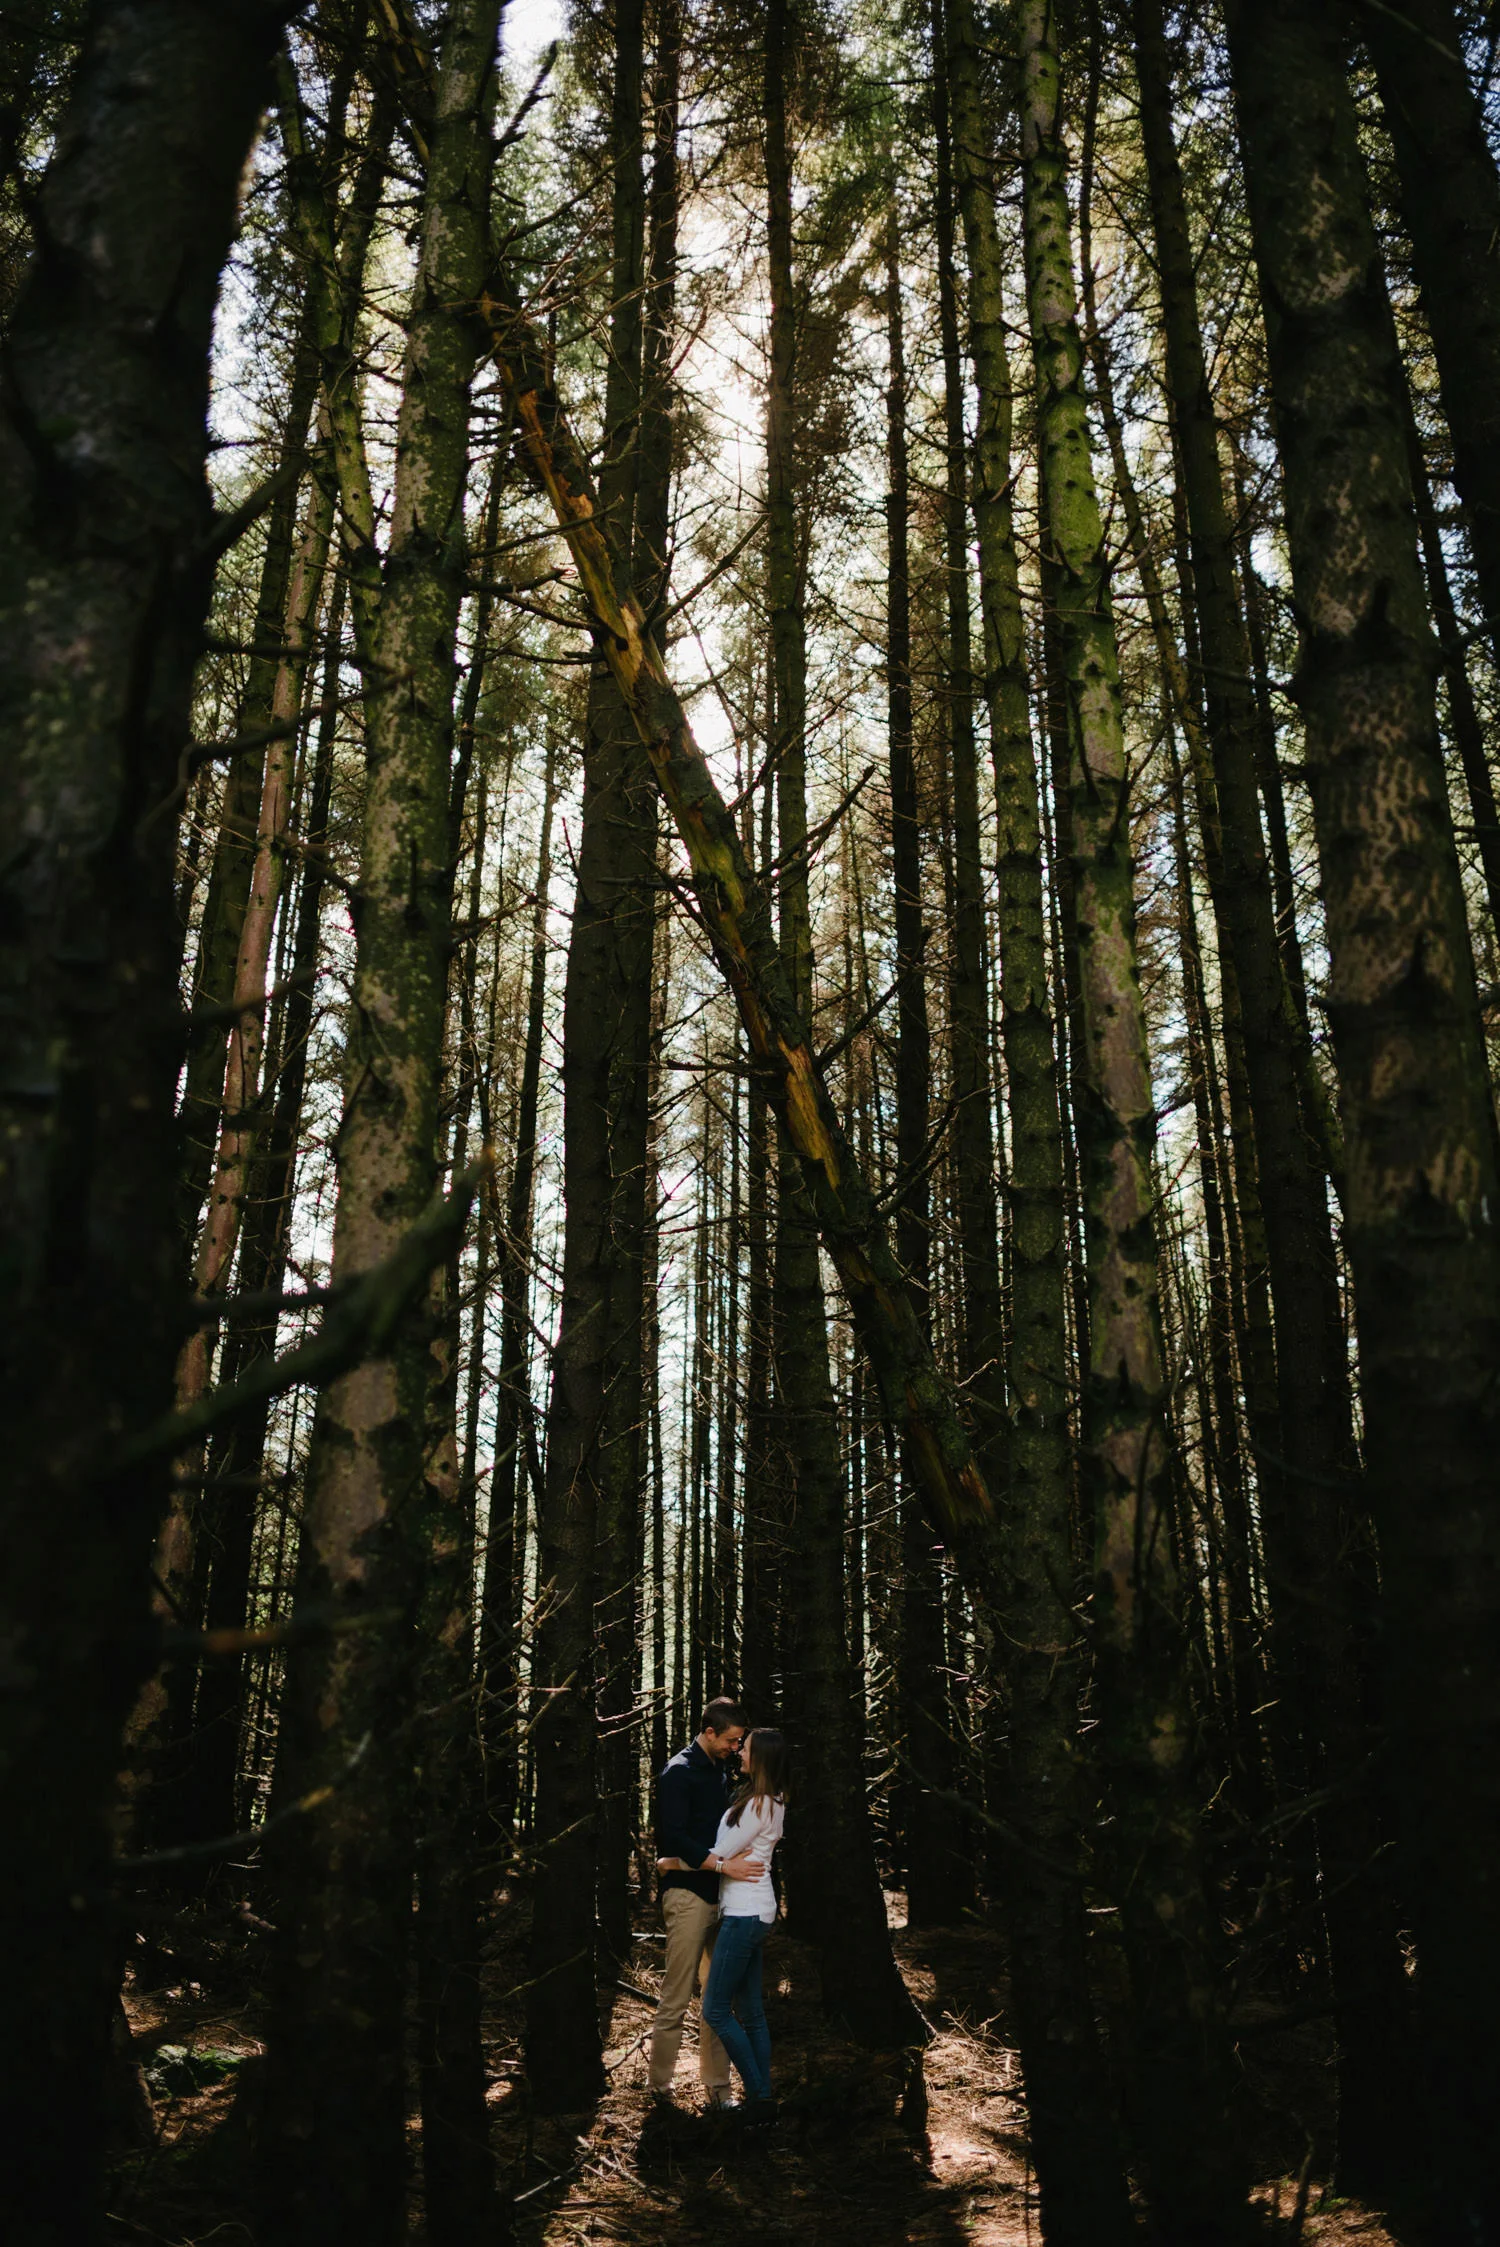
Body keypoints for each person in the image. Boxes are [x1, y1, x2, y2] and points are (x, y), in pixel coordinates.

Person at [648, 1697, 759, 2107]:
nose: (735, 1747)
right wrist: (722, 1866)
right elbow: (673, 1836)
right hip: (688, 1897)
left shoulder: (721, 1772)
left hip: (723, 1898)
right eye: (731, 1740)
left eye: (739, 1742)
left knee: (717, 2000)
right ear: (709, 1732)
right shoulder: (678, 1772)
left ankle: (719, 2092)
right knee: (676, 1995)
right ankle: (660, 2090)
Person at [698, 1728, 789, 2122]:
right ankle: (763, 2095)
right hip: (755, 1911)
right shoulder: (767, 1802)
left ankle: (759, 2098)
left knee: (716, 2009)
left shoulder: (759, 1806)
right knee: (751, 2011)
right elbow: (728, 1850)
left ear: (763, 1758)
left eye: (747, 1750)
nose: (740, 1754)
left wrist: (676, 1859)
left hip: (744, 1915)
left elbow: (721, 1851)